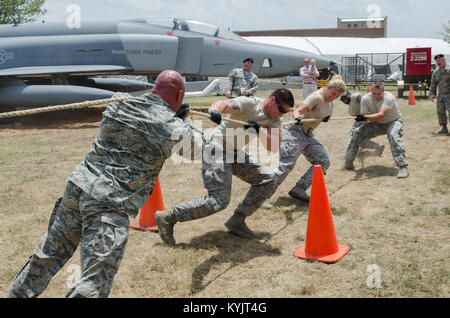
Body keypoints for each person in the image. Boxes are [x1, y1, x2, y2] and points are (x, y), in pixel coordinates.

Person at [6, 70, 204, 298]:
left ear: (154, 87)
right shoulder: (171, 126)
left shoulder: (118, 103)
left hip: (77, 188)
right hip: (108, 205)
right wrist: (186, 118)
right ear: (179, 94)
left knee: (47, 256)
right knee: (94, 282)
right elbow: (197, 149)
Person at [155, 89, 294, 245]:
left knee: (267, 179)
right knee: (218, 201)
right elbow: (223, 104)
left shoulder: (274, 119)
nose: (281, 115)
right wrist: (215, 111)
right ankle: (168, 217)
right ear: (273, 101)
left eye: (284, 113)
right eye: (281, 110)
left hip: (235, 152)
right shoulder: (250, 103)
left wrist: (259, 130)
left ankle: (237, 220)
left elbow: (274, 146)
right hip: (217, 147)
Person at [341, 81, 409, 178]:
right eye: (374, 93)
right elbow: (364, 121)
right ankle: (348, 162)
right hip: (378, 124)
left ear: (383, 91)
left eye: (379, 94)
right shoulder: (365, 99)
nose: (376, 96)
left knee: (392, 134)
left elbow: (381, 115)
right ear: (371, 91)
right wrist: (361, 119)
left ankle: (403, 167)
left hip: (393, 122)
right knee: (357, 132)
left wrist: (366, 117)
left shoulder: (389, 97)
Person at [340, 91, 385, 156]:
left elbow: (365, 100)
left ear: (348, 95)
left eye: (344, 98)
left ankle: (351, 151)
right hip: (364, 121)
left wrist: (365, 114)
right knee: (360, 138)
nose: (344, 100)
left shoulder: (354, 97)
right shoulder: (350, 110)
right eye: (343, 99)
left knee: (352, 136)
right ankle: (377, 146)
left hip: (368, 117)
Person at [429, 54, 450, 135]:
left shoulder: (449, 69)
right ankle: (444, 128)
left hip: (449, 95)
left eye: (439, 60)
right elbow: (433, 84)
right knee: (441, 112)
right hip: (440, 95)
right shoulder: (436, 72)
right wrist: (432, 94)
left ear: (444, 60)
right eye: (437, 61)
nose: (438, 62)